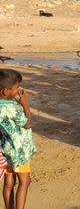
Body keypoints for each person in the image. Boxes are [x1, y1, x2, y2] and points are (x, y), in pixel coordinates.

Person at [0, 69, 35, 209]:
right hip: (19, 151)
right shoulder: (12, 107)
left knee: (9, 183)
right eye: (16, 88)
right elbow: (27, 124)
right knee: (24, 182)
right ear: (5, 91)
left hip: (5, 150)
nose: (18, 91)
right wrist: (25, 104)